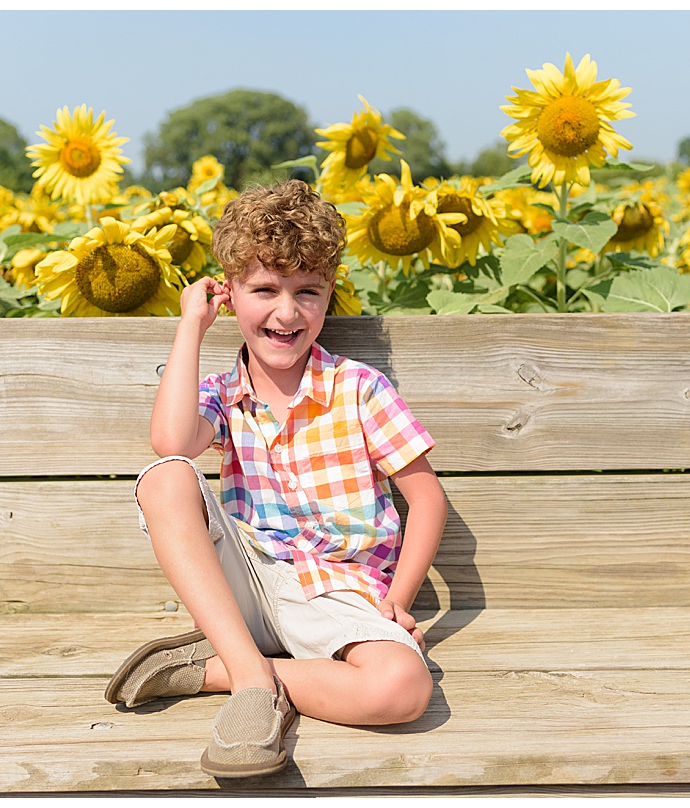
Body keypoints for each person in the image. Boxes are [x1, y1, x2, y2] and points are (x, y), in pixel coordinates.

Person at [104, 179, 448, 778]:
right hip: (247, 586)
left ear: (329, 293)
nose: (286, 312)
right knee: (165, 477)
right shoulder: (221, 394)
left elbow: (427, 499)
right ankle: (253, 677)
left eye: (307, 291)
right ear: (229, 295)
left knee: (402, 690)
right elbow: (169, 442)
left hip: (338, 590)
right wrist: (192, 326)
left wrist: (398, 600)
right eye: (264, 289)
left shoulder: (359, 388)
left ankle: (222, 673)